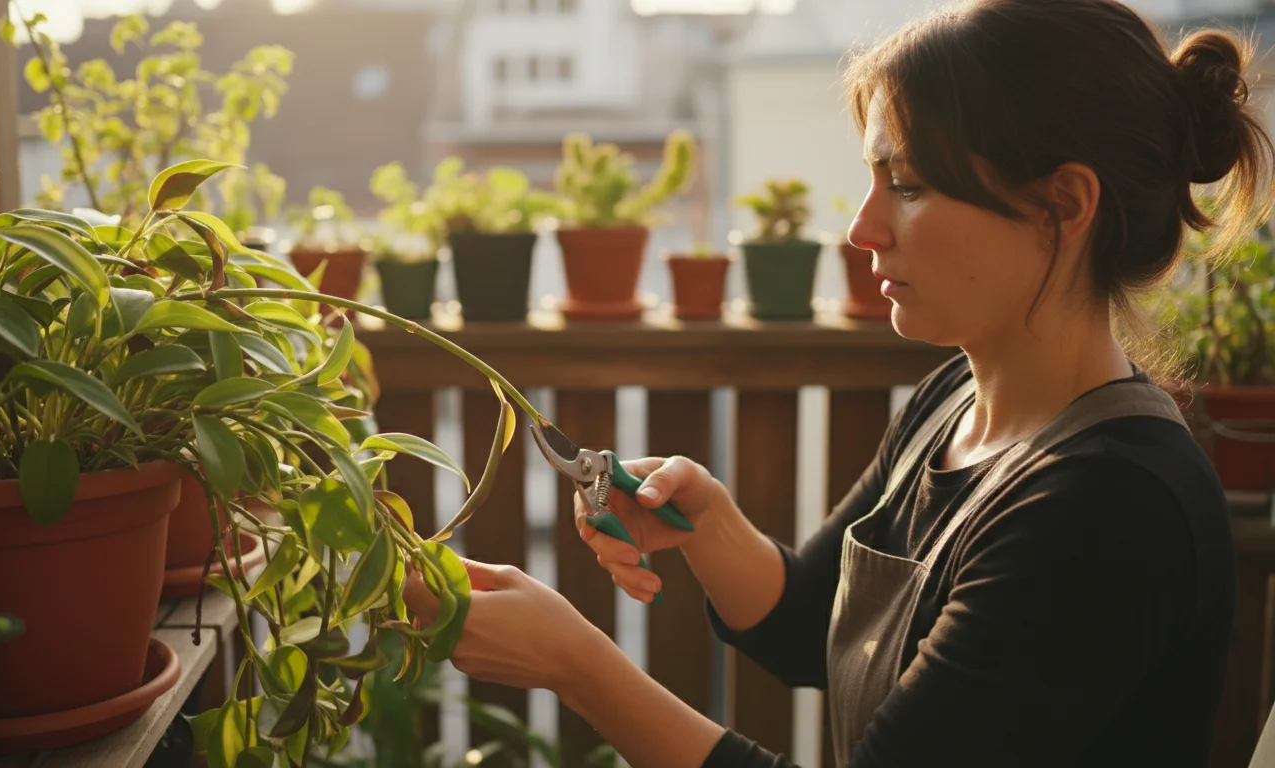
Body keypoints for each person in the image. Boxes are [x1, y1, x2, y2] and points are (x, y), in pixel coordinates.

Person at [406, 0, 1271, 765]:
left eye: (908, 185)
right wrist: (708, 525)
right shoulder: (954, 403)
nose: (862, 229)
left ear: (1064, 207)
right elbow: (811, 625)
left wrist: (576, 666)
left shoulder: (1108, 506)